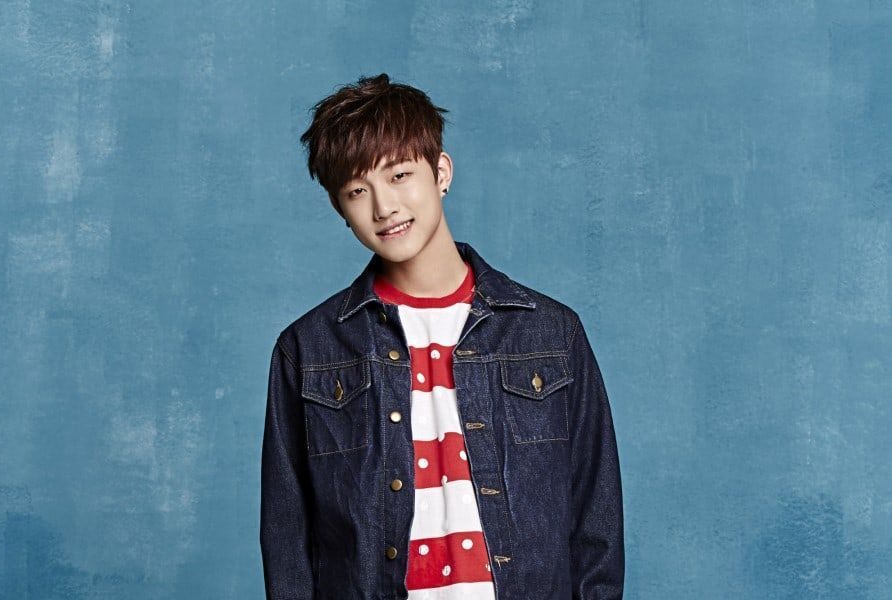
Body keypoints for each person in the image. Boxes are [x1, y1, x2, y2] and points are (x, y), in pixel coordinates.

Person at [260, 73, 624, 599]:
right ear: (341, 209)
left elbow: (595, 524)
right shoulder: (309, 350)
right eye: (358, 191)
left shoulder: (549, 332)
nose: (384, 207)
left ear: (441, 173)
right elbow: (288, 541)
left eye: (400, 175)